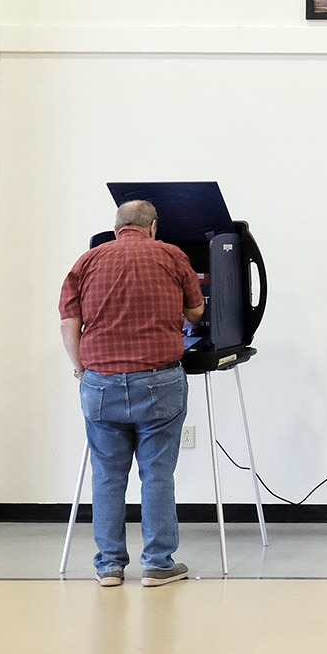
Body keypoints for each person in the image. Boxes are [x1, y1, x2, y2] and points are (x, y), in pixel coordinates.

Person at [59, 200, 204, 588]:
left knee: (107, 476)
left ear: (116, 226)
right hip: (159, 380)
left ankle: (109, 565)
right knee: (157, 473)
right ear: (153, 226)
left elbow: (69, 320)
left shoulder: (87, 260)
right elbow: (196, 312)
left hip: (101, 383)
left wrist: (80, 366)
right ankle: (157, 564)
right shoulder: (171, 255)